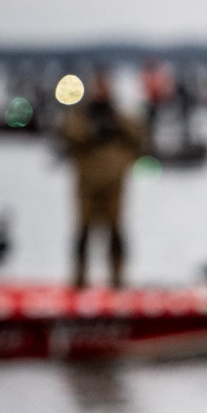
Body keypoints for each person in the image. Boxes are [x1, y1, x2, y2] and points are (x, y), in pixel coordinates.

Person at [60, 68, 144, 288]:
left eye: (104, 86)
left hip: (115, 182)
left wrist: (115, 124)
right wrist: (93, 130)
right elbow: (70, 134)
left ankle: (117, 277)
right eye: (98, 86)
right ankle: (79, 278)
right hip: (87, 183)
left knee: (116, 231)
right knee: (83, 231)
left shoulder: (119, 115)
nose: (101, 91)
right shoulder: (82, 115)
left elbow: (138, 135)